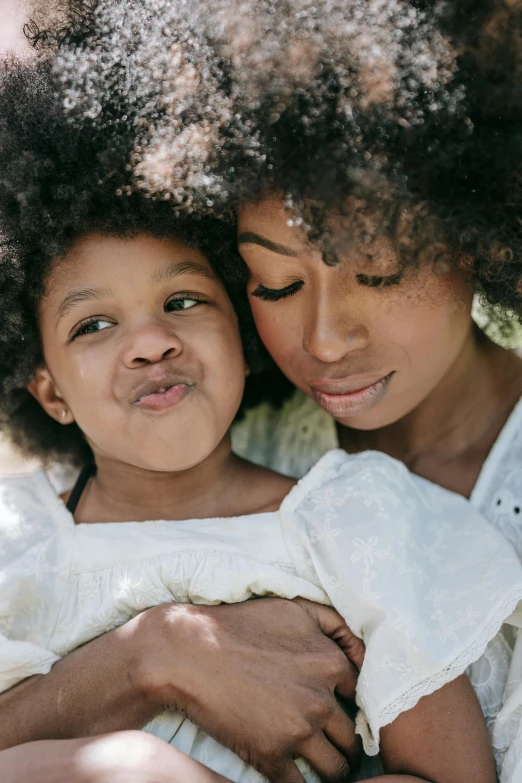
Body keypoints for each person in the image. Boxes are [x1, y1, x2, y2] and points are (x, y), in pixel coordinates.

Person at [4, 0, 522, 781]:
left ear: (478, 227)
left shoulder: (354, 514)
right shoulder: (163, 455)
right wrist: (153, 652)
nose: (322, 341)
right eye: (273, 283)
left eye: (377, 271)